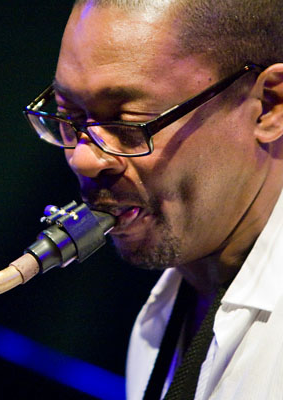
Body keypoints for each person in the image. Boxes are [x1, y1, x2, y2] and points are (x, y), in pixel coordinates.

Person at [24, 0, 283, 398]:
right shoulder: (161, 315)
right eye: (68, 117)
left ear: (268, 106)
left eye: (128, 124)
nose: (82, 158)